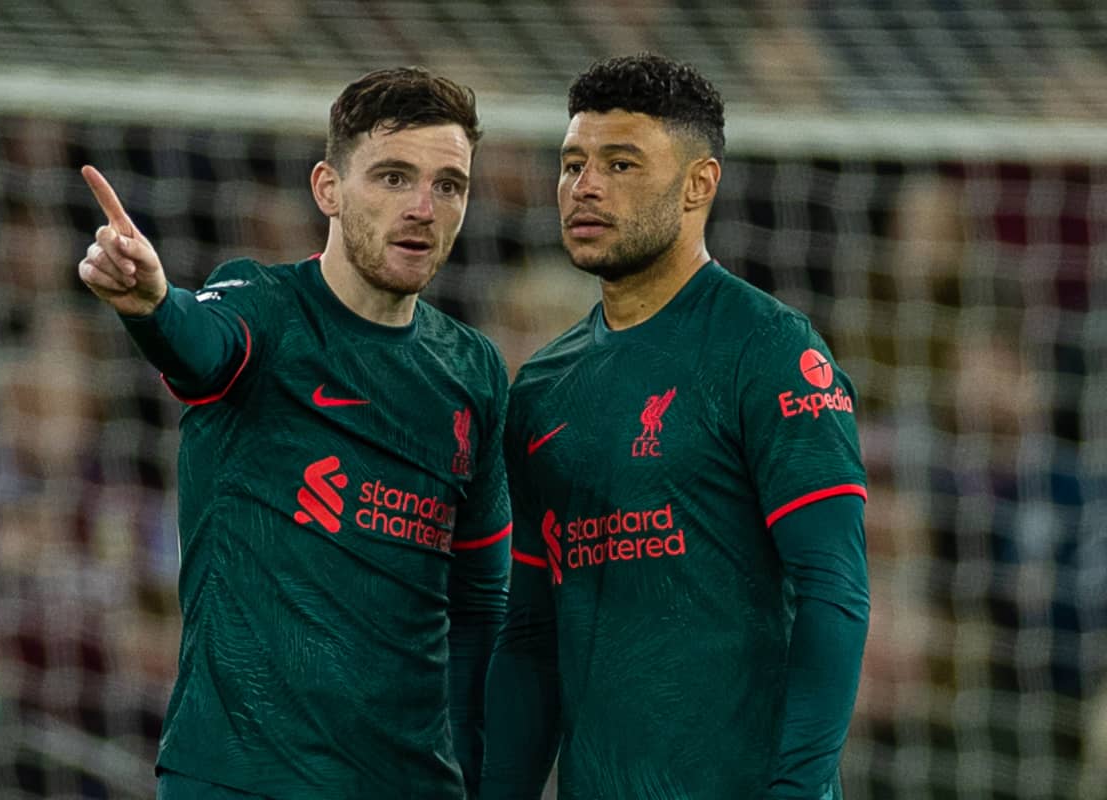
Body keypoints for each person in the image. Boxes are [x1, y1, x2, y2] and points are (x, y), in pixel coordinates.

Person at [77, 67, 511, 799]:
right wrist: (151, 303)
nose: (424, 208)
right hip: (242, 774)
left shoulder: (474, 370)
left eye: (449, 185)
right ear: (328, 189)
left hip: (412, 783)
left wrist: (475, 776)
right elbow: (200, 344)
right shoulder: (265, 306)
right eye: (395, 177)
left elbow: (480, 602)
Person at [481, 53, 870, 799]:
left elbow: (835, 589)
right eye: (572, 164)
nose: (584, 187)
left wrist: (796, 791)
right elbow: (530, 635)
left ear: (700, 185)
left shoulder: (769, 350)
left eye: (621, 164)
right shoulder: (540, 390)